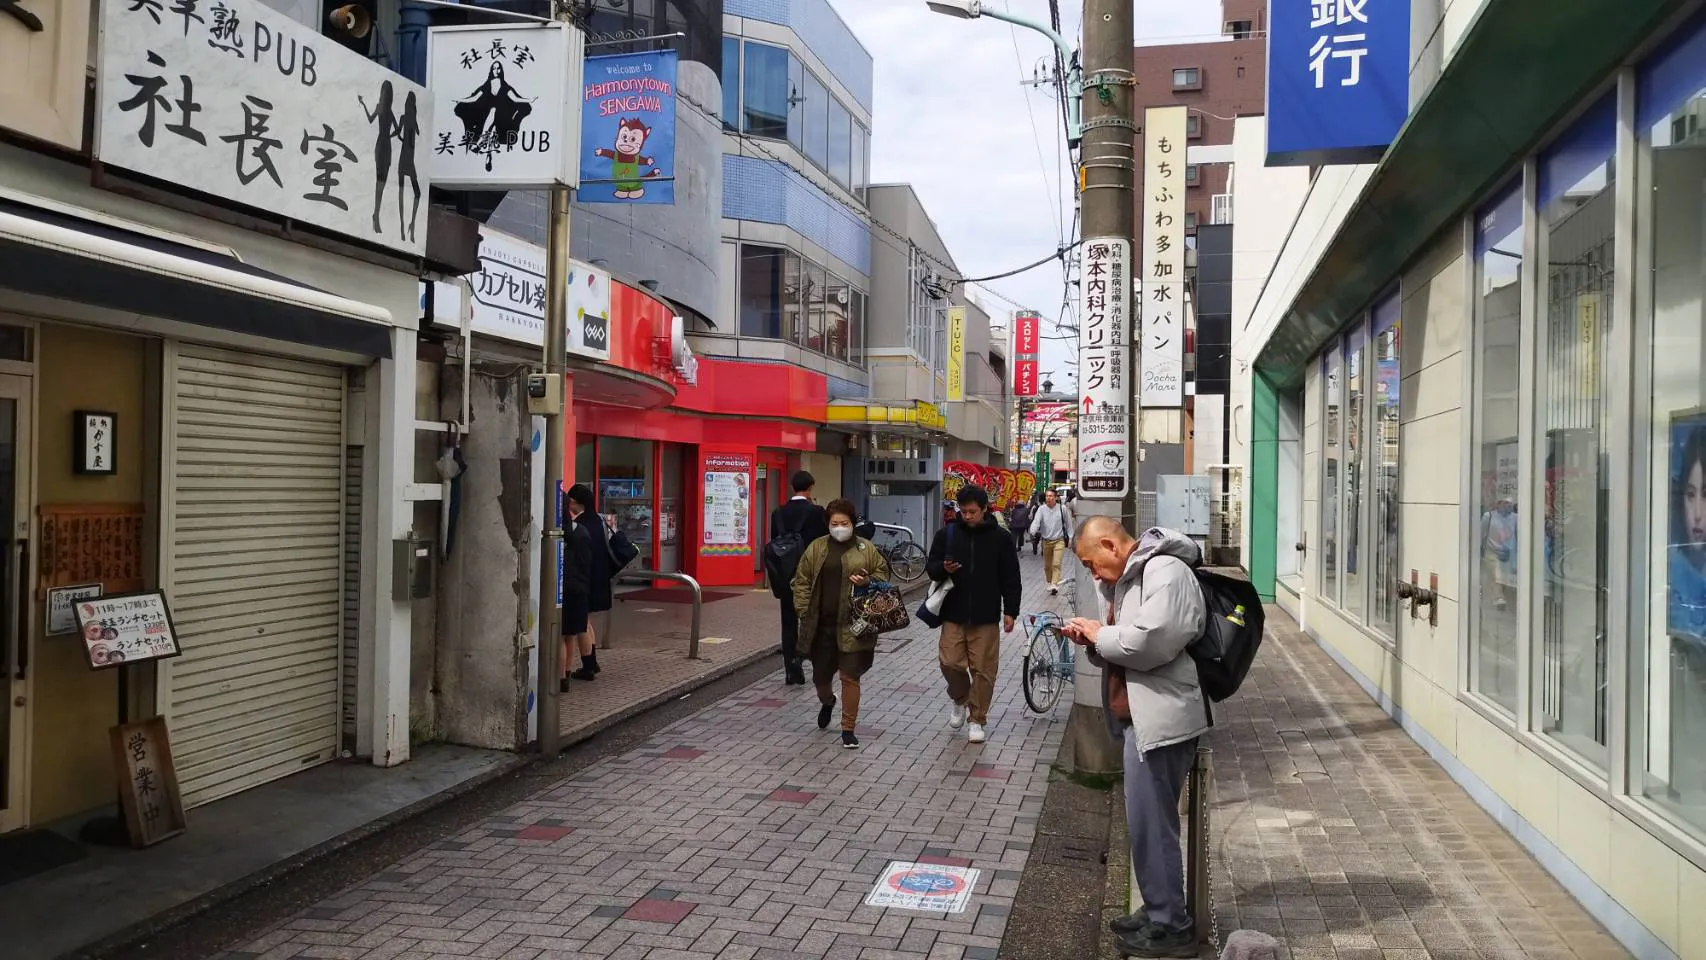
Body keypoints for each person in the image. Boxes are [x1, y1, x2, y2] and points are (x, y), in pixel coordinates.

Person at [1063, 519, 1208, 959]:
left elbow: (1151, 642)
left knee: (1154, 824)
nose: (1093, 573)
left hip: (1161, 718)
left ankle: (1171, 924)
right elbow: (1125, 642)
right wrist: (1095, 636)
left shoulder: (1166, 571)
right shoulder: (1135, 576)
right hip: (1144, 716)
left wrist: (1098, 634)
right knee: (1145, 824)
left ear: (1109, 543)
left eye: (1092, 562)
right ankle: (1158, 909)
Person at [791, 499, 891, 749]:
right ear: (828, 524)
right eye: (834, 523)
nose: (839, 527)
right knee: (821, 679)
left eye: (844, 523)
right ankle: (827, 701)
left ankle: (848, 729)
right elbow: (801, 580)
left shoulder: (864, 548)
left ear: (852, 523)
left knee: (850, 676)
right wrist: (803, 609)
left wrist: (867, 580)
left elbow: (883, 574)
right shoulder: (817, 548)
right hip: (821, 626)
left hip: (854, 624)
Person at [925, 484, 1021, 743]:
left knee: (984, 670)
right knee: (949, 662)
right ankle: (960, 698)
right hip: (953, 613)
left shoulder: (1001, 538)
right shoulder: (947, 534)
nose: (967, 516)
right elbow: (931, 568)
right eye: (963, 511)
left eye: (972, 512)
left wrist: (1011, 610)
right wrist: (943, 567)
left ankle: (977, 719)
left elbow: (1011, 576)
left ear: (984, 510)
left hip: (986, 615)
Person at [770, 471, 829, 685]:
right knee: (811, 619)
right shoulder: (816, 512)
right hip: (810, 576)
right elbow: (824, 544)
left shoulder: (777, 513)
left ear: (793, 487)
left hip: (785, 576)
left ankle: (790, 670)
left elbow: (775, 544)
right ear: (810, 487)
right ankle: (810, 664)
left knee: (788, 622)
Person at [565, 483, 615, 681]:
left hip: (586, 580)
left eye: (571, 502)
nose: (569, 506)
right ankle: (592, 662)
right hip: (600, 578)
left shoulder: (581, 525)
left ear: (578, 503)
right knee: (587, 621)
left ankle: (588, 667)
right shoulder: (599, 520)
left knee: (581, 625)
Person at [560, 489, 593, 692]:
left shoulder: (555, 532)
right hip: (579, 588)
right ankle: (567, 673)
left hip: (560, 589)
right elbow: (586, 563)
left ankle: (559, 677)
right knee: (571, 634)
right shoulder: (580, 531)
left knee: (560, 636)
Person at [1032, 488, 1075, 594]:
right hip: (1046, 541)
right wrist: (1033, 530)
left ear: (1056, 497)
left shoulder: (1062, 509)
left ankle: (1054, 584)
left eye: (1051, 496)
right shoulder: (1041, 509)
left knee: (1056, 563)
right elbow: (1036, 521)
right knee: (1047, 566)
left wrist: (1070, 538)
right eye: (1047, 496)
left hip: (1059, 540)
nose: (1048, 498)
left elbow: (1069, 524)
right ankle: (1050, 582)